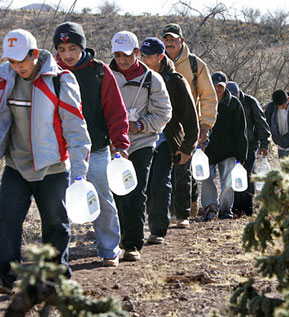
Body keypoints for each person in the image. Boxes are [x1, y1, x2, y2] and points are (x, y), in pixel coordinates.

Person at [0, 29, 91, 292]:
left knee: (55, 222)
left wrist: (79, 172)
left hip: (52, 166)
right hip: (16, 165)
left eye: (22, 61)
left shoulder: (61, 80)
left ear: (35, 54)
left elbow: (75, 127)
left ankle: (54, 277)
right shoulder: (5, 78)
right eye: (12, 62)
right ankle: (6, 277)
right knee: (6, 219)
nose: (18, 67)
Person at [53, 22, 130, 267]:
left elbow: (116, 111)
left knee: (103, 199)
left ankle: (109, 249)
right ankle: (58, 257)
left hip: (96, 148)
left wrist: (120, 143)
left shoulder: (100, 72)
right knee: (58, 204)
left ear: (82, 47)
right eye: (62, 49)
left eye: (72, 48)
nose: (67, 54)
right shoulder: (50, 72)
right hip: (60, 152)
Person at [110, 31, 172, 261]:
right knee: (116, 192)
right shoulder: (105, 76)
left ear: (136, 53)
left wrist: (141, 125)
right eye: (117, 55)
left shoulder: (152, 79)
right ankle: (120, 237)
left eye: (126, 55)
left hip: (142, 142)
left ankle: (133, 245)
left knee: (135, 191)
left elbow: (164, 112)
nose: (122, 60)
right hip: (112, 144)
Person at [139, 37, 199, 244]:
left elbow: (191, 120)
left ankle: (157, 230)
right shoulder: (134, 77)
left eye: (148, 56)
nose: (143, 59)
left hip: (164, 142)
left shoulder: (175, 81)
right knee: (141, 187)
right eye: (142, 55)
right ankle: (138, 227)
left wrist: (187, 148)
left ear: (160, 57)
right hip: (138, 141)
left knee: (160, 184)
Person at [161, 23, 218, 218]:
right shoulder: (155, 62)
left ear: (181, 41)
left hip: (188, 126)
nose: (169, 43)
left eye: (172, 40)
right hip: (162, 125)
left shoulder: (196, 65)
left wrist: (205, 125)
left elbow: (208, 96)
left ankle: (186, 209)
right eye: (166, 40)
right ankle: (167, 211)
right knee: (164, 169)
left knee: (184, 168)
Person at [201, 72, 247, 221]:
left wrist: (241, 155)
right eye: (214, 85)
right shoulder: (204, 102)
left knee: (228, 182)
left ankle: (225, 210)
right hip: (207, 149)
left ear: (225, 86)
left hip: (229, 150)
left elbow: (241, 131)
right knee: (206, 177)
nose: (217, 89)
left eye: (220, 86)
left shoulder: (234, 104)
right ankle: (210, 208)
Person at [226, 81, 270, 217]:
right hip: (233, 145)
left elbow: (261, 124)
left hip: (250, 145)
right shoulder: (225, 101)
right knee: (233, 176)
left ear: (239, 93)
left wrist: (264, 144)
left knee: (247, 174)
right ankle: (236, 209)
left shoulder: (250, 102)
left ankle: (247, 208)